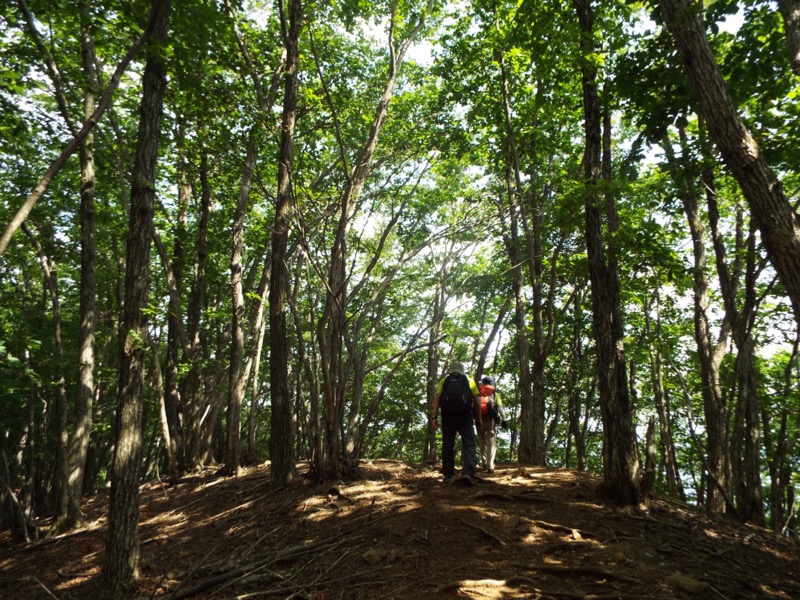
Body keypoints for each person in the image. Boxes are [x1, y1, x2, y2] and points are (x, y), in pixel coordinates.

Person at [430, 362, 481, 484]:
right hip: (465, 415)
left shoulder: (444, 381)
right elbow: (478, 401)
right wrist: (478, 418)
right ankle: (468, 473)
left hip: (448, 416)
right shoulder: (469, 380)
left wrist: (434, 417)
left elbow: (437, 399)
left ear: (450, 370)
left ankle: (448, 475)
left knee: (448, 444)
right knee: (469, 443)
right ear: (462, 370)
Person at [476, 375, 507, 474]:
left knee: (482, 442)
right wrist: (504, 419)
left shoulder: (478, 393)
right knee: (491, 443)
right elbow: (500, 408)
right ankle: (490, 466)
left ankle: (484, 463)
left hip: (479, 421)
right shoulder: (495, 394)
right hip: (491, 421)